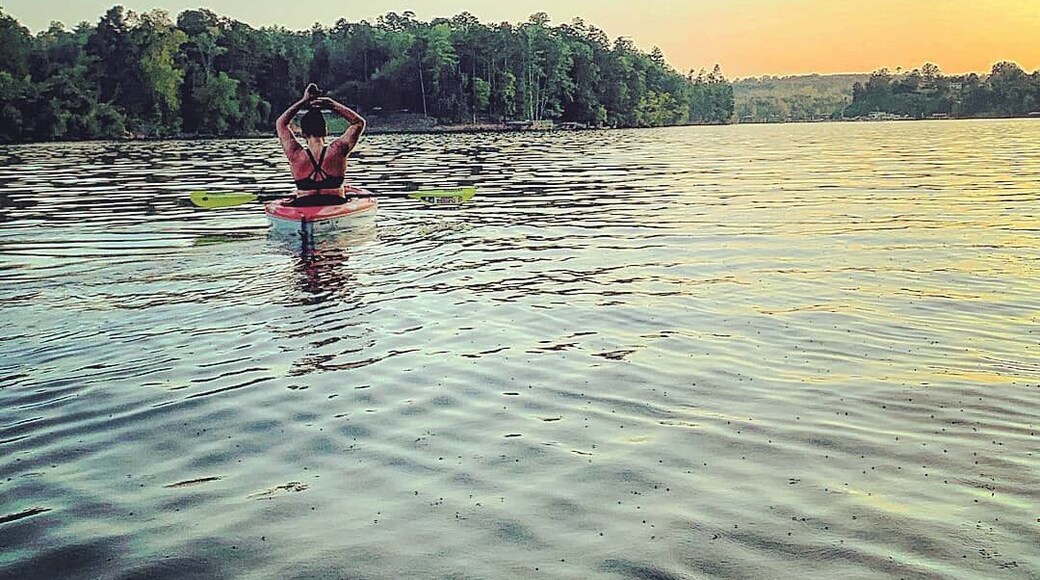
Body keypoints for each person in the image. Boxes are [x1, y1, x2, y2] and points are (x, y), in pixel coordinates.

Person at [276, 83, 366, 206]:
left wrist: (303, 101)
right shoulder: (338, 150)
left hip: (304, 205)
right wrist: (331, 104)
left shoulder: (295, 154)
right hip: (335, 204)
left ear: (303, 133)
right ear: (326, 130)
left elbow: (281, 123)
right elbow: (358, 123)